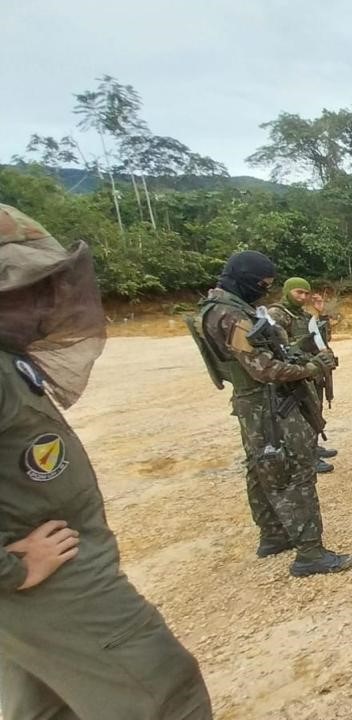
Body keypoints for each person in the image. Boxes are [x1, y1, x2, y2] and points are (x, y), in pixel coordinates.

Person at [0, 204, 213, 719]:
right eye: (20, 284)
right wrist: (7, 570)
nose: (42, 298)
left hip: (39, 588)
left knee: (46, 707)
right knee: (163, 693)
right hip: (51, 584)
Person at [194, 251, 352, 577]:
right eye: (262, 284)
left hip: (254, 404)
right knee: (295, 472)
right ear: (244, 279)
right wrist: (310, 367)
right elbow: (263, 368)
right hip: (268, 404)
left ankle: (273, 535)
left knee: (262, 468)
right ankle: (310, 552)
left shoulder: (221, 307)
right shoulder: (230, 315)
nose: (264, 290)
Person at [267, 277, 337, 475]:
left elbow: (323, 339)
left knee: (314, 410)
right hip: (297, 373)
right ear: (287, 291)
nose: (303, 297)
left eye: (306, 293)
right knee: (303, 415)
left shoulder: (304, 316)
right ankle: (308, 456)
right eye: (299, 292)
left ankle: (313, 447)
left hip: (312, 371)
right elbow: (279, 347)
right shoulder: (277, 315)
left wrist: (321, 314)